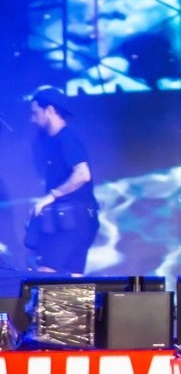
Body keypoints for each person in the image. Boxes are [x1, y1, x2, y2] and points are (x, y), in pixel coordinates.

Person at [26, 87, 100, 275]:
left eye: (35, 113)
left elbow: (82, 174)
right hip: (81, 220)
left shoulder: (66, 138)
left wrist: (51, 196)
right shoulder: (55, 140)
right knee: (73, 280)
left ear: (49, 110)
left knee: (45, 275)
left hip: (71, 221)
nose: (32, 119)